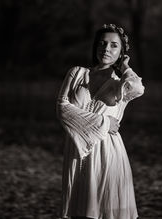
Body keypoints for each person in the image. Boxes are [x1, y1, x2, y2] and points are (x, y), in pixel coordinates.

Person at [56, 23, 145, 219]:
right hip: (76, 151)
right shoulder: (77, 73)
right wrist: (104, 122)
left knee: (106, 210)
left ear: (122, 52)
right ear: (95, 46)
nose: (106, 49)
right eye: (102, 43)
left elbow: (138, 89)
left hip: (108, 152)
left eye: (114, 45)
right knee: (79, 211)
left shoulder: (120, 83)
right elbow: (63, 109)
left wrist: (125, 67)